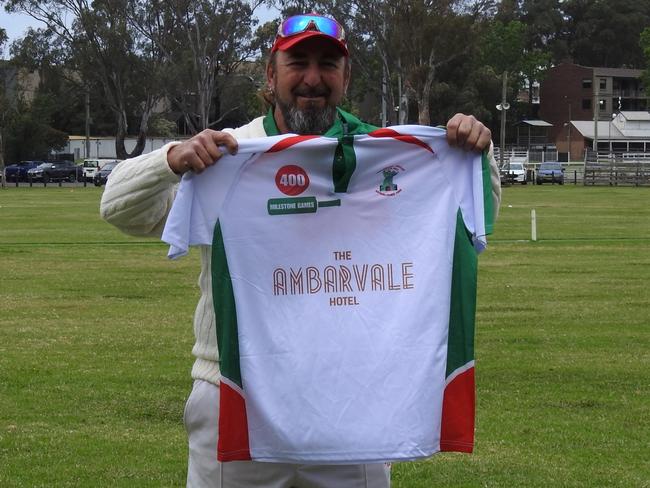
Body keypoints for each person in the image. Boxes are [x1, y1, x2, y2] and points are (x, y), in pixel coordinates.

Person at [101, 12, 501, 488]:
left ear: (345, 78)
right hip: (236, 391)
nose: (313, 78)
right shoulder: (230, 154)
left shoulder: (383, 154)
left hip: (351, 394)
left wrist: (473, 153)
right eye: (298, 63)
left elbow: (468, 220)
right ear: (271, 75)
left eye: (328, 64)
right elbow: (120, 209)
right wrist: (170, 160)